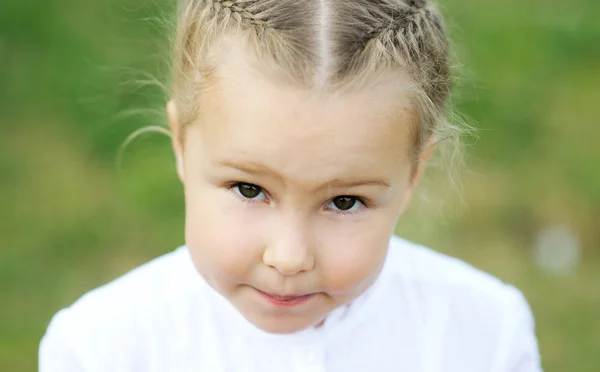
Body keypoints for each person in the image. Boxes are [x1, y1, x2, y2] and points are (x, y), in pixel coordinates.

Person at [39, 0, 543, 371]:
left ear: (413, 173)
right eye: (249, 190)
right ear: (181, 145)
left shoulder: (486, 336)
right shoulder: (99, 349)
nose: (288, 256)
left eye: (344, 201)